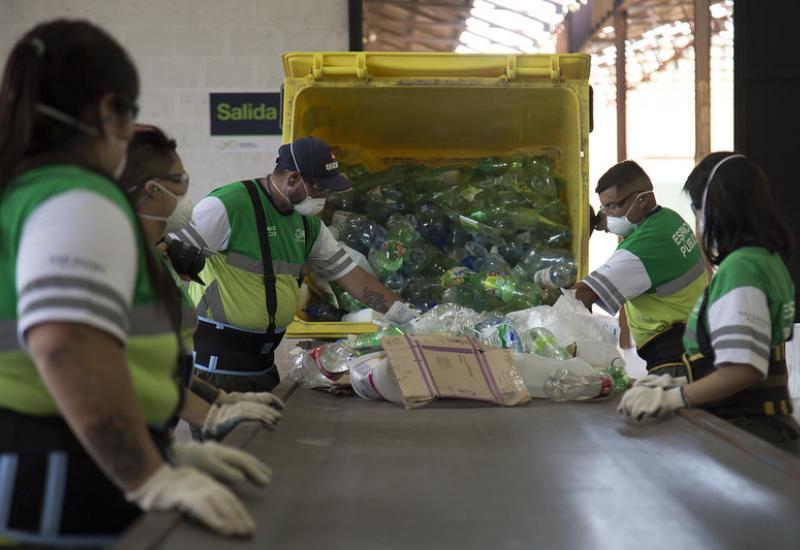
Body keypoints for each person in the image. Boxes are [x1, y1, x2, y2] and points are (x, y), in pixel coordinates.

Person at [0, 20, 268, 544]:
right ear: (107, 112)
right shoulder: (75, 199)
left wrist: (169, 445)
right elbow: (66, 345)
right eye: (130, 114)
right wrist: (147, 474)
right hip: (68, 482)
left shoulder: (22, 194)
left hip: (51, 470)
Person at [170, 136, 414, 393]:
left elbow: (353, 277)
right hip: (214, 370)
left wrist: (406, 317)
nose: (324, 197)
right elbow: (165, 257)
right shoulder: (228, 206)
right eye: (319, 189)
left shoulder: (307, 224)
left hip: (262, 367)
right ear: (294, 178)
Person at [619, 153, 799, 454]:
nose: (698, 221)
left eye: (696, 209)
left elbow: (743, 369)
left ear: (715, 208)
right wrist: (676, 385)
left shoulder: (742, 267)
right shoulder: (766, 259)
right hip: (768, 428)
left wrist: (674, 398)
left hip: (750, 433)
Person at [120, 124, 285, 438]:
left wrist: (219, 400)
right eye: (180, 181)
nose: (186, 193)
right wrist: (147, 468)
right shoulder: (121, 263)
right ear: (153, 189)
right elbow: (117, 374)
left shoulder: (152, 258)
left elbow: (159, 365)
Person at [573, 161, 706, 375]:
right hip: (694, 342)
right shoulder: (670, 219)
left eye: (612, 207)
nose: (607, 215)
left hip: (672, 357)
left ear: (642, 199)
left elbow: (581, 296)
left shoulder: (642, 248)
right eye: (603, 207)